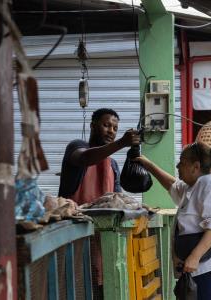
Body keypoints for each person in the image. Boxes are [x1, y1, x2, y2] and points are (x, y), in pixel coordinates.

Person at [136, 142, 211, 300]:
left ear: (195, 167)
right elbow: (172, 185)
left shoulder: (209, 187)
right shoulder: (193, 186)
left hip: (205, 267)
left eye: (182, 163)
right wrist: (148, 165)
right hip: (194, 267)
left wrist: (195, 256)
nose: (177, 166)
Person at [58, 108, 139, 298]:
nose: (111, 130)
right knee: (75, 287)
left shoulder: (112, 165)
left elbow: (117, 199)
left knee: (99, 287)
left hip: (102, 243)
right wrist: (122, 143)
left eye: (115, 128)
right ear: (93, 126)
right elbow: (86, 158)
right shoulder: (77, 148)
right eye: (106, 125)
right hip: (73, 239)